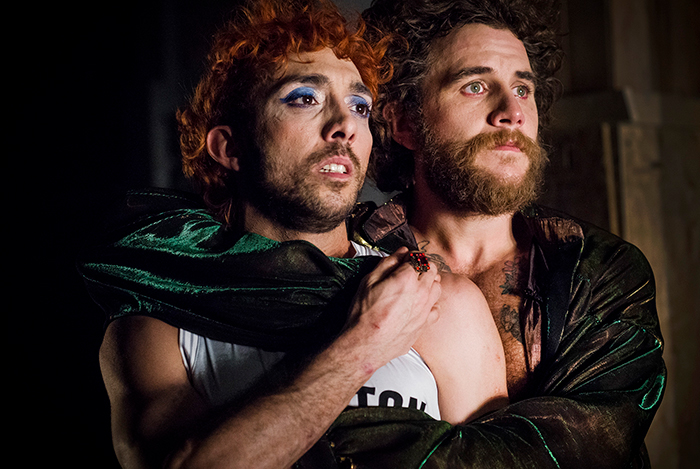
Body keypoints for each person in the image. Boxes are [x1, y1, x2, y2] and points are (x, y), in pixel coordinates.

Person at [79, 0, 508, 467]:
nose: (344, 126)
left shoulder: (437, 302)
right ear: (230, 147)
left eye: (360, 107)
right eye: (304, 98)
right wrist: (365, 344)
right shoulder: (157, 324)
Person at [320, 0, 665, 467]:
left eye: (523, 89)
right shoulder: (343, 253)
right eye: (476, 86)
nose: (512, 112)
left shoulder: (601, 271)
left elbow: (585, 448)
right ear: (403, 123)